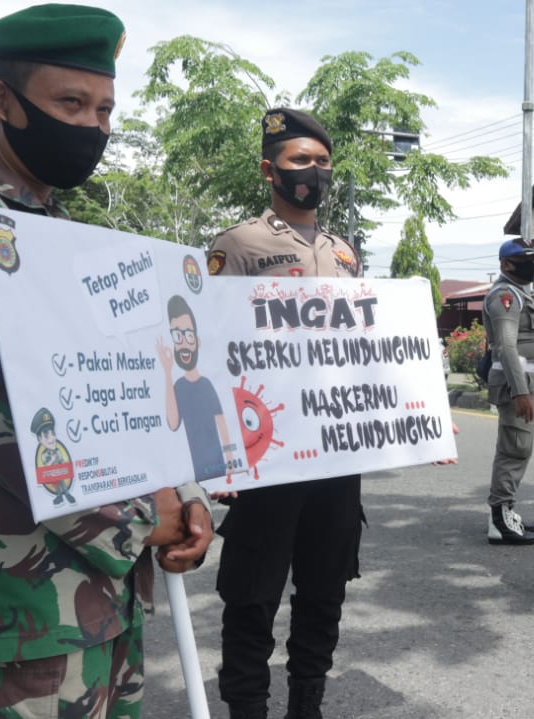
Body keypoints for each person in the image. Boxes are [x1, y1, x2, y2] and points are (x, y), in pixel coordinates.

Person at [0, 6, 212, 716]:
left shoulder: (61, 233)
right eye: (71, 103)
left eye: (104, 109)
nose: (92, 127)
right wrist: (140, 515)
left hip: (103, 592)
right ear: (1, 101)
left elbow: (122, 394)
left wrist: (185, 495)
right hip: (13, 605)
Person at [206, 107, 362, 719]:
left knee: (325, 592)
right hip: (266, 457)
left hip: (336, 454)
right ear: (270, 169)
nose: (314, 172)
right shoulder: (238, 245)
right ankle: (247, 708)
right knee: (251, 596)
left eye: (323, 162)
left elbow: (366, 351)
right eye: (302, 160)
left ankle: (308, 704)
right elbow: (211, 353)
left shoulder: (344, 254)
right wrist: (220, 459)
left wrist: (414, 410)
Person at [482, 239, 534, 545]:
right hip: (518, 383)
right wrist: (520, 391)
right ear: (506, 264)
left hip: (526, 382)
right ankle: (499, 519)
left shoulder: (520, 293)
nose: (532, 265)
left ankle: (507, 510)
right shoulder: (505, 295)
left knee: (518, 447)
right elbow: (507, 345)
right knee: (515, 448)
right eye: (525, 259)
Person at [160, 294, 234, 480]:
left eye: (188, 335)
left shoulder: (207, 384)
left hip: (217, 464)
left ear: (198, 341)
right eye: (177, 336)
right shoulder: (178, 386)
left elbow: (222, 424)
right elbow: (173, 422)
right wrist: (167, 372)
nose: (184, 342)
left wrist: (231, 459)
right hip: (194, 470)